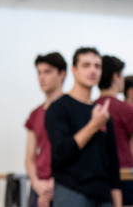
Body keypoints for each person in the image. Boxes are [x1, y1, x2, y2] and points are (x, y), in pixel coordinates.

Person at [46, 47, 121, 207]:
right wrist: (94, 125)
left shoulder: (103, 113)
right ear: (74, 70)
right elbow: (61, 153)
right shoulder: (59, 108)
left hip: (103, 194)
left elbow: (113, 167)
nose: (93, 70)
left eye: (97, 66)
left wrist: (117, 202)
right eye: (86, 65)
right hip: (71, 191)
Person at [25, 52, 66, 207]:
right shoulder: (35, 114)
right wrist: (37, 184)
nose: (42, 78)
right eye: (39, 72)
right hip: (39, 186)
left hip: (65, 184)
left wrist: (54, 184)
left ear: (62, 74)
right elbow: (29, 157)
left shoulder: (72, 109)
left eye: (47, 72)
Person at [95, 55, 133, 205]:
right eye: (121, 75)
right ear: (115, 77)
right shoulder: (126, 109)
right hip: (125, 176)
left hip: (99, 177)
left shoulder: (91, 106)